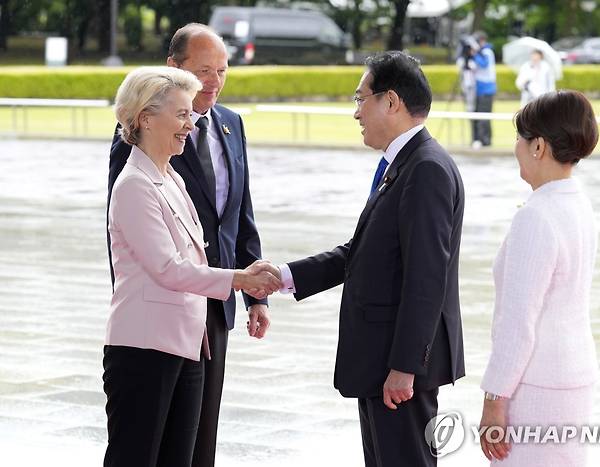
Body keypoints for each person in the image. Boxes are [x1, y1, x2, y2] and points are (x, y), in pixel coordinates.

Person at [268, 51, 466, 466]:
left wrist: (405, 367)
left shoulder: (425, 169)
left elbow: (426, 278)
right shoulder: (404, 165)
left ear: (390, 101)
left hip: (398, 368)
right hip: (383, 361)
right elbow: (363, 253)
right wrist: (284, 276)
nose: (356, 113)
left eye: (361, 100)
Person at [106, 23, 271, 467]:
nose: (190, 124)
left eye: (222, 70)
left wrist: (253, 292)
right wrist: (240, 279)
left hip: (198, 320)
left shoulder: (177, 171)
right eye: (204, 71)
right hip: (153, 327)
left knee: (192, 445)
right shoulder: (136, 175)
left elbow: (238, 217)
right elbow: (153, 262)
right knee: (142, 450)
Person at [478, 90, 599, 466]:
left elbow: (518, 322)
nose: (515, 146)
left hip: (536, 385)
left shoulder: (537, 215)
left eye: (520, 138)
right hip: (574, 376)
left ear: (539, 147)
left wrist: (494, 400)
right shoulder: (577, 201)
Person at [471, 31, 497, 149]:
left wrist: (475, 54)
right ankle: (480, 139)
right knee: (479, 115)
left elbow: (484, 64)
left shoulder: (487, 52)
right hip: (480, 89)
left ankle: (485, 140)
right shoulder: (482, 52)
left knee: (484, 116)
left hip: (487, 89)